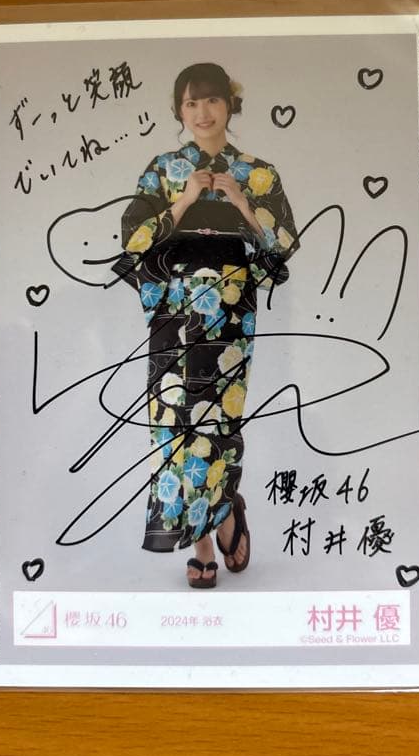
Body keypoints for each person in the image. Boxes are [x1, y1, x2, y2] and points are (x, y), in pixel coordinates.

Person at [115, 62, 298, 587]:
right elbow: (134, 240)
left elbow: (283, 244)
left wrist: (240, 201)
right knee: (174, 418)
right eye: (191, 103)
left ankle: (224, 509)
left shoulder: (258, 173)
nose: (202, 112)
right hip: (175, 306)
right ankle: (201, 542)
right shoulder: (164, 169)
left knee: (220, 417)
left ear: (230, 104)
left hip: (230, 307)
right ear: (179, 111)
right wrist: (184, 200)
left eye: (212, 99)